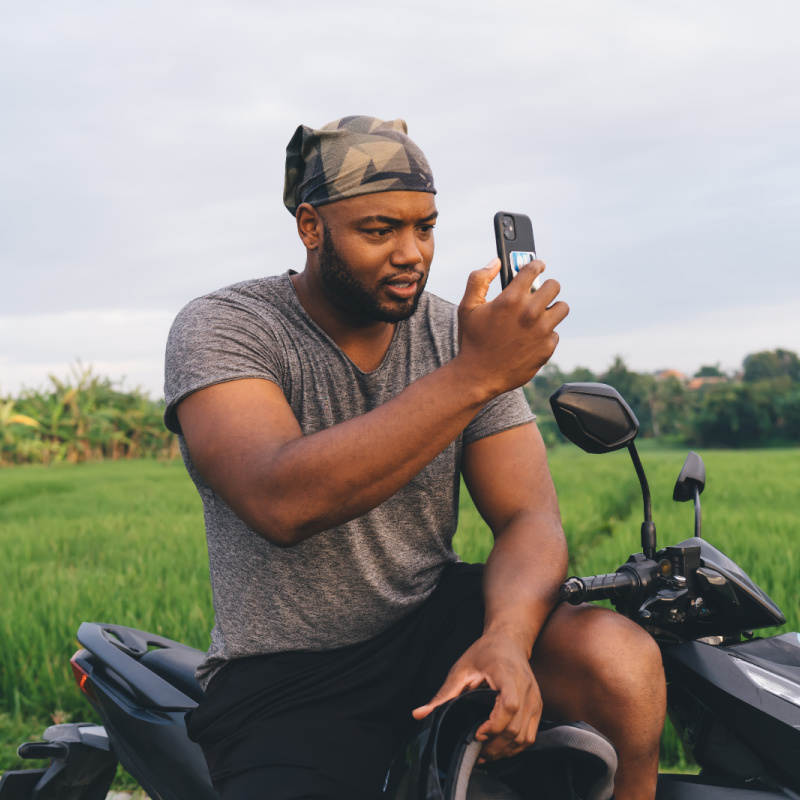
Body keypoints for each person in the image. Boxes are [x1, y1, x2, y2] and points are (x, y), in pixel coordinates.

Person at [163, 116, 665, 800]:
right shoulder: (228, 326)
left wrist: (508, 640)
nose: (411, 253)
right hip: (290, 675)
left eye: (424, 227)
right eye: (379, 230)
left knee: (618, 658)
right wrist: (475, 374)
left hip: (431, 622)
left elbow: (529, 517)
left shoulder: (454, 333)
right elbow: (281, 500)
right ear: (312, 227)